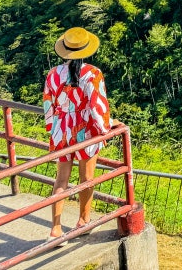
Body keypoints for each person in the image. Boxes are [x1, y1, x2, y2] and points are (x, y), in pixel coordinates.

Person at [43, 27, 111, 242]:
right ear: (88, 49)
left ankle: (55, 229)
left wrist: (52, 129)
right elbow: (97, 106)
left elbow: (48, 105)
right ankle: (83, 220)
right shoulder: (93, 73)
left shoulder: (53, 74)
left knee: (61, 179)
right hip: (85, 129)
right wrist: (105, 129)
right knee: (87, 177)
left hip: (61, 128)